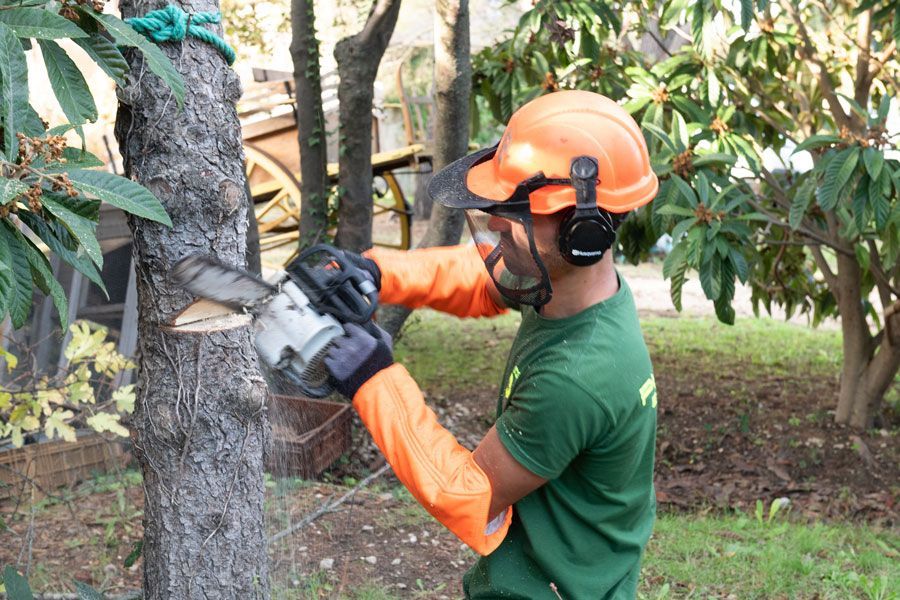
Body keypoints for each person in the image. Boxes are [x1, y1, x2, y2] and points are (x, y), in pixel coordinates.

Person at [323, 90, 659, 599]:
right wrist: (375, 272)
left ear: (582, 230)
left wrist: (372, 378)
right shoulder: (577, 290)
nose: (497, 221)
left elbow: (467, 492)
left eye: (515, 211)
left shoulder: (577, 379)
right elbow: (483, 273)